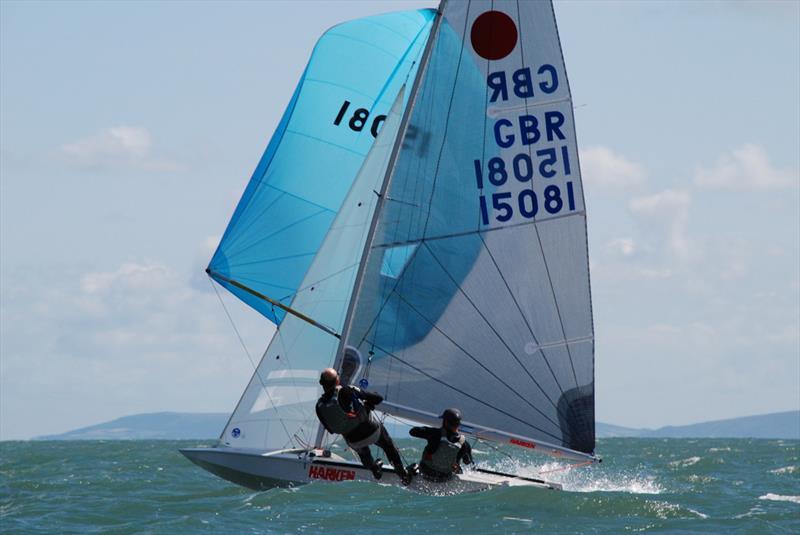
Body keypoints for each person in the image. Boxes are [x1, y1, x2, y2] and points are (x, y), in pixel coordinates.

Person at [315, 368, 411, 485]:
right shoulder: (347, 390)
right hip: (371, 431)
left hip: (353, 441)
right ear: (337, 381)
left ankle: (373, 468)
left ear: (321, 383)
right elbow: (378, 399)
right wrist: (366, 403)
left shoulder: (319, 406)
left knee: (362, 452)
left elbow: (331, 430)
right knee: (387, 446)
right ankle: (403, 475)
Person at [409, 408, 473, 482]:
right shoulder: (464, 443)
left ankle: (408, 477)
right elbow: (467, 462)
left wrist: (427, 430)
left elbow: (412, 432)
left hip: (426, 473)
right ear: (458, 424)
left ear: (445, 422)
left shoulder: (435, 433)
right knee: (458, 468)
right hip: (445, 478)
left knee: (414, 466)